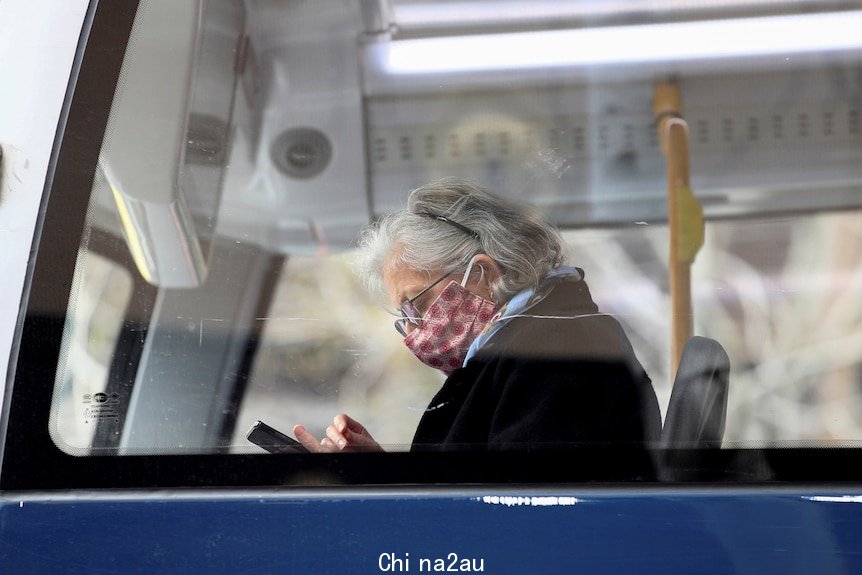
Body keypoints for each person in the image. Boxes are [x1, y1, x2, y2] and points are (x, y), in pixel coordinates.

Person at [294, 178, 661, 452]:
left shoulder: (552, 356)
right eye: (403, 316)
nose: (413, 331)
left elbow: (505, 510)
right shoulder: (529, 344)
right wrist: (379, 472)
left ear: (482, 274)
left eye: (417, 304)